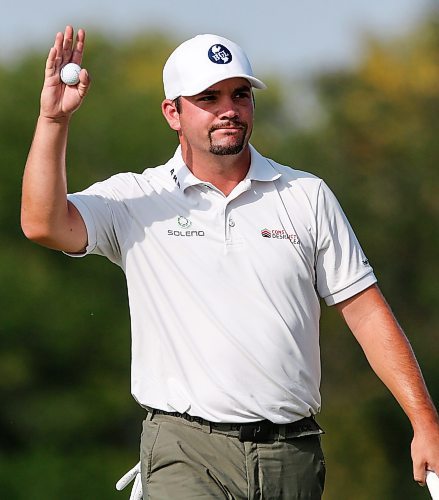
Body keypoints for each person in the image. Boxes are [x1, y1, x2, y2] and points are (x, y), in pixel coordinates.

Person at [21, 26, 439, 500]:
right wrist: (53, 122)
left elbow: (366, 313)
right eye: (209, 97)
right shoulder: (137, 198)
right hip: (185, 450)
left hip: (292, 452)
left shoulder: (306, 196)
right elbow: (43, 223)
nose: (229, 110)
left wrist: (424, 421)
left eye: (240, 95)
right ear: (172, 113)